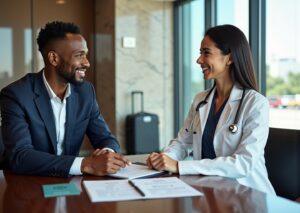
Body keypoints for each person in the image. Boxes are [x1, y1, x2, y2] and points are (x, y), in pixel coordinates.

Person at [147, 24, 275, 195]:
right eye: (200, 52)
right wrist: (164, 159)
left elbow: (243, 163)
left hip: (247, 195)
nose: (199, 60)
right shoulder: (201, 99)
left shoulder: (256, 103)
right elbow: (182, 142)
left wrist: (178, 166)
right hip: (209, 191)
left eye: (206, 53)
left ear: (229, 58)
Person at [0, 21, 130, 177]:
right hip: (27, 184)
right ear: (54, 59)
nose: (87, 63)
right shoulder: (16, 95)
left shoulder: (85, 92)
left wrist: (107, 155)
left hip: (70, 184)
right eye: (79, 55)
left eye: (86, 54)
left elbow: (105, 138)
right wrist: (85, 164)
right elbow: (20, 156)